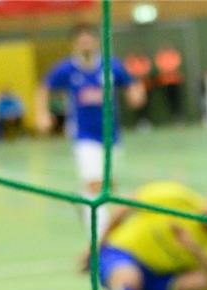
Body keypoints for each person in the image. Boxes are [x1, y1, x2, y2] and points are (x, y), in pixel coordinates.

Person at [36, 24, 148, 240]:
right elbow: (43, 87)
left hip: (112, 136)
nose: (86, 43)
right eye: (81, 39)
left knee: (109, 186)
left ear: (97, 41)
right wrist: (42, 113)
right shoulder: (67, 69)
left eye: (90, 38)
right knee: (94, 185)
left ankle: (85, 203)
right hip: (84, 136)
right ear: (75, 43)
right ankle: (99, 240)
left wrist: (136, 94)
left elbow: (132, 84)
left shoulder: (111, 66)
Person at [154, 43, 186, 123]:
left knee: (177, 100)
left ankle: (178, 117)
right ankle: (173, 117)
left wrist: (170, 70)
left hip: (175, 81)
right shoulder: (161, 55)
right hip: (165, 82)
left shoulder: (174, 54)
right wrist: (166, 70)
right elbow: (160, 64)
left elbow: (176, 63)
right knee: (168, 101)